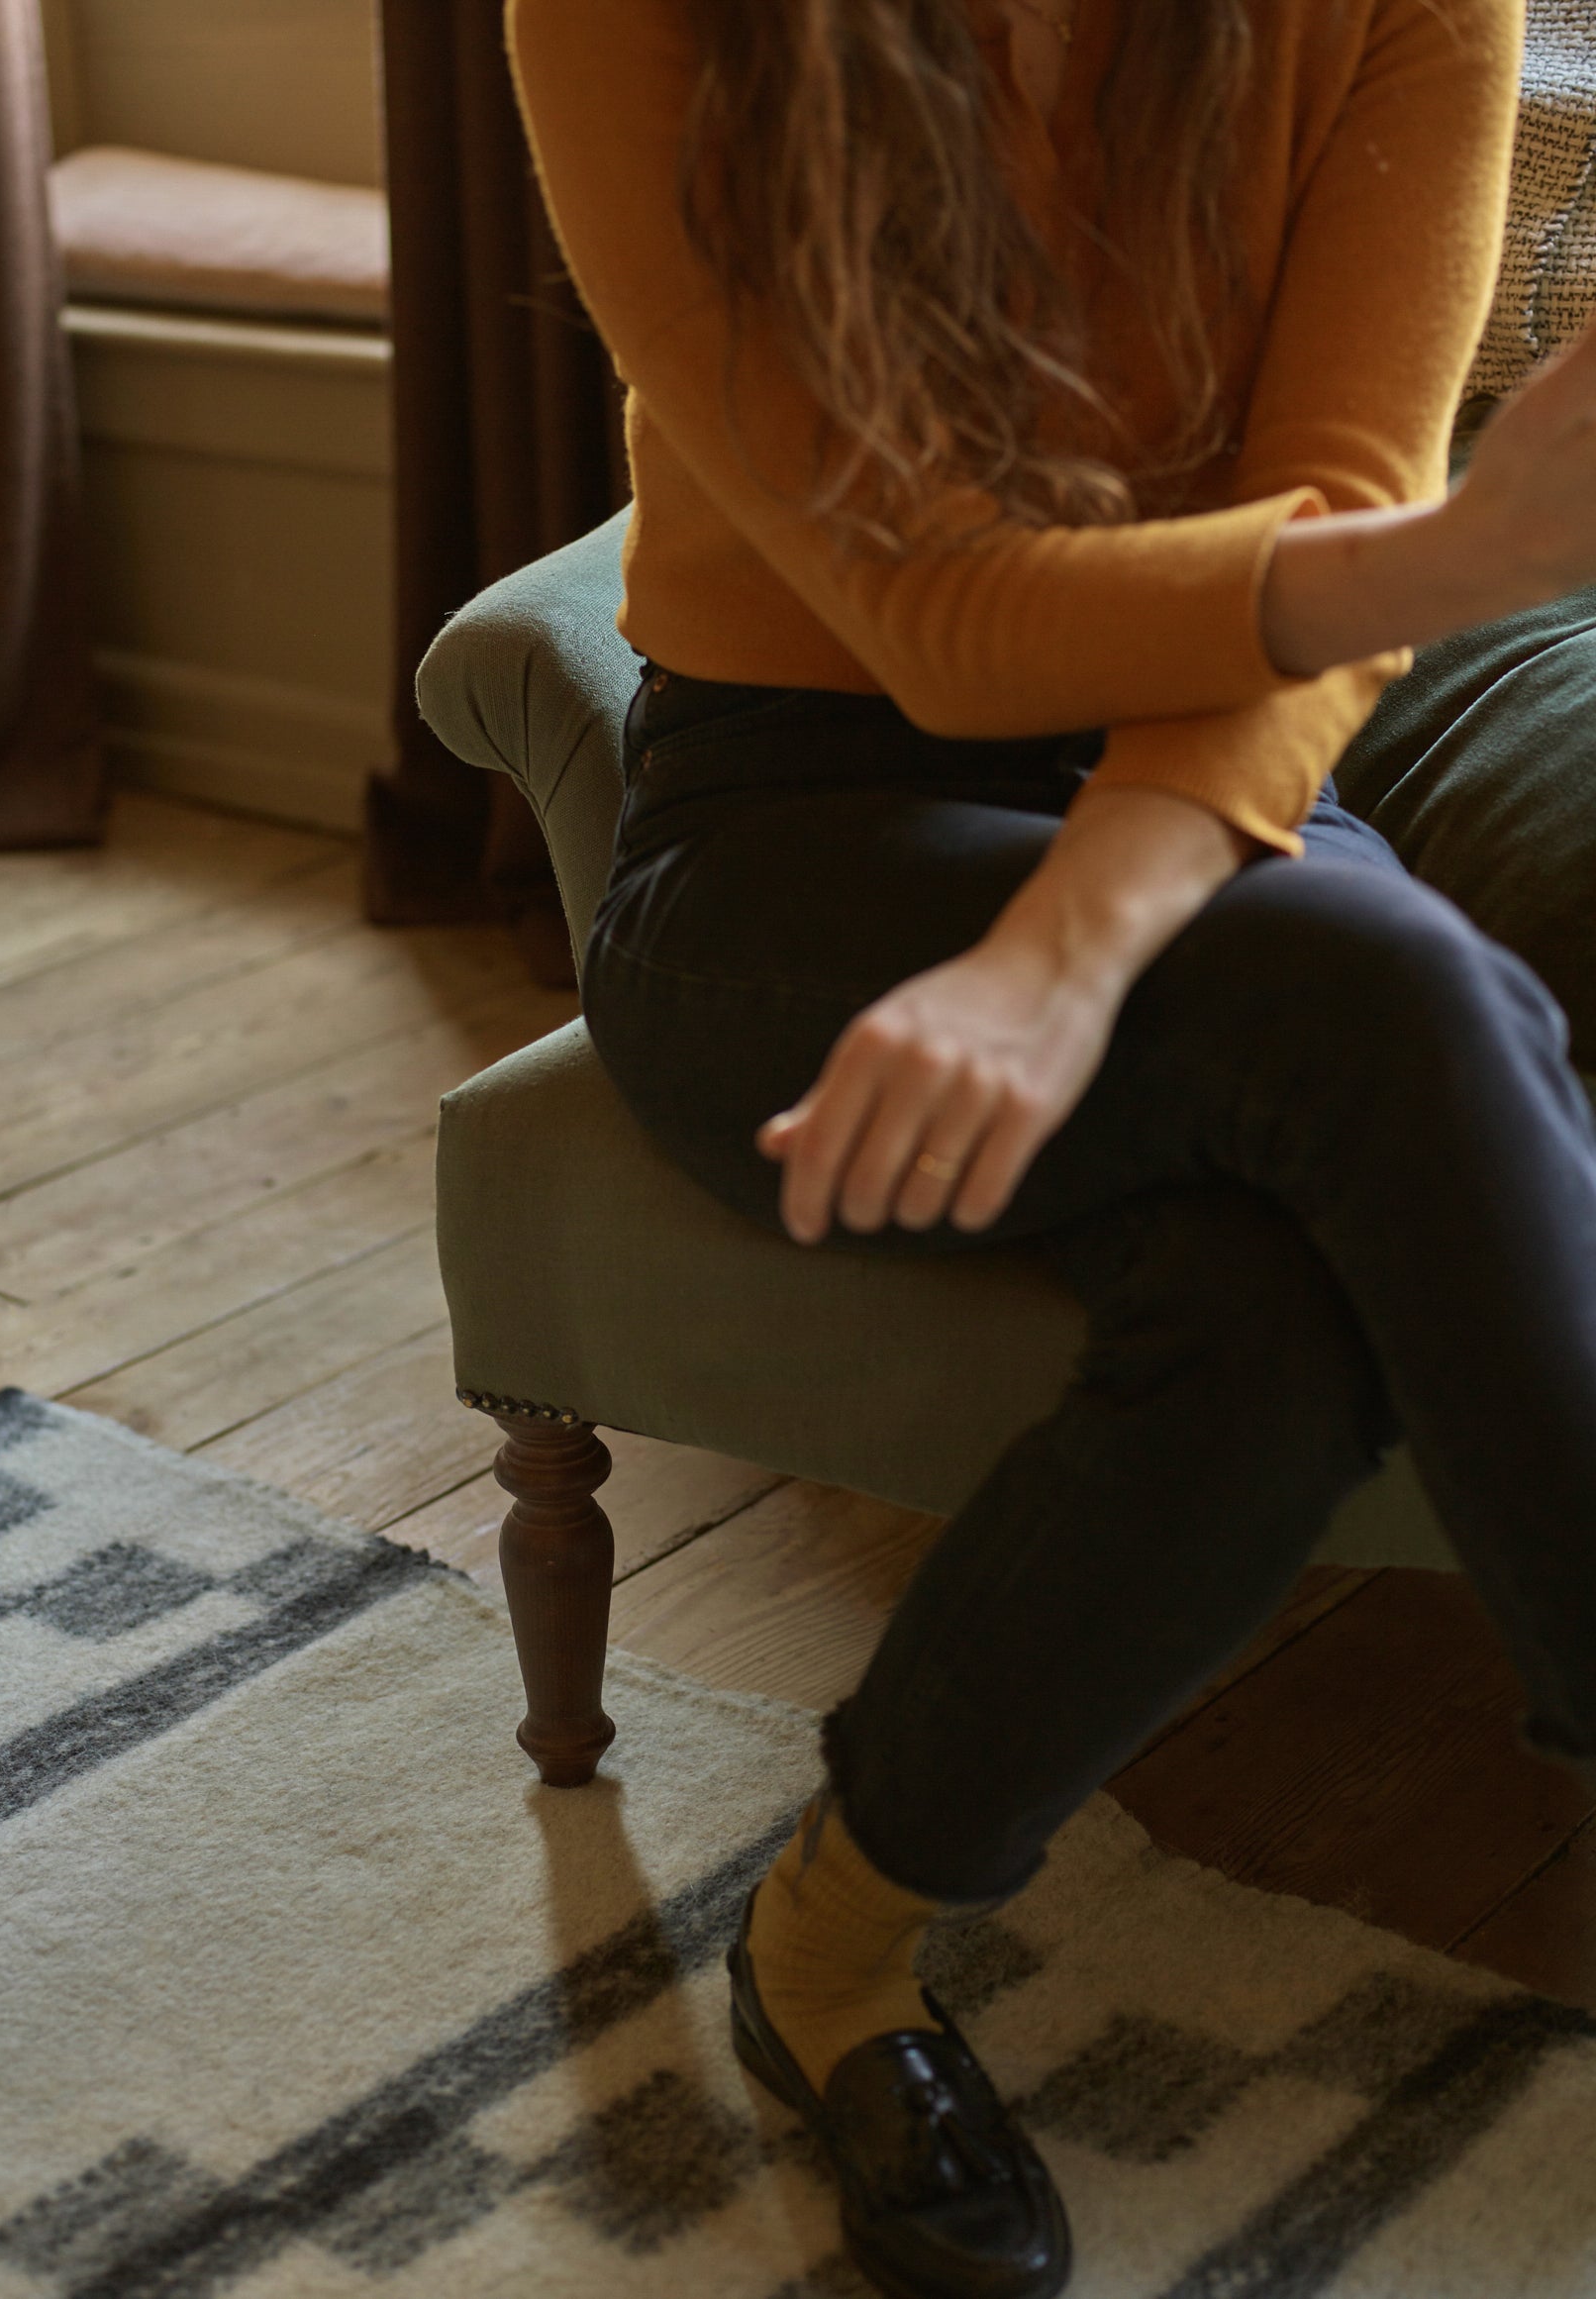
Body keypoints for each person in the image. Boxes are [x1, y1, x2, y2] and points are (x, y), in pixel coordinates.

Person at [508, 2, 1596, 2292]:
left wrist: (1079, 937)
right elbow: (931, 605)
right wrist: (1437, 564)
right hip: (790, 828)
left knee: (1284, 1314)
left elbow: (1327, 524)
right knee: (1406, 998)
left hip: (1221, 763)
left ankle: (827, 1950)